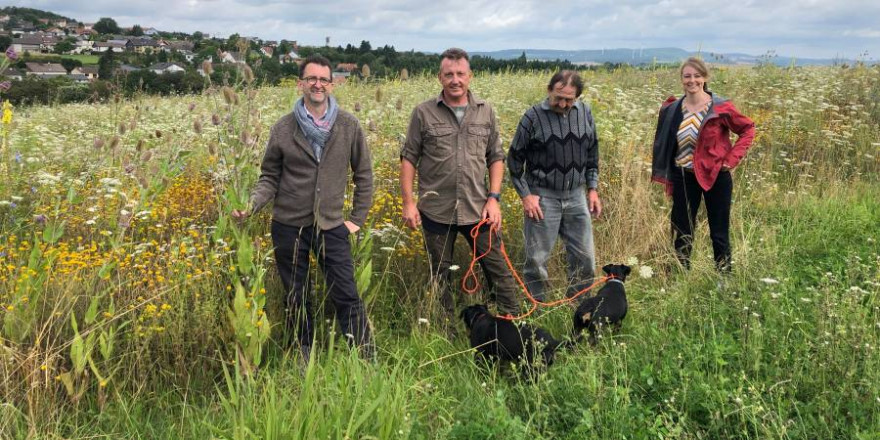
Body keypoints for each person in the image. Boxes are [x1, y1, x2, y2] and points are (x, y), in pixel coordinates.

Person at [232, 55, 374, 359]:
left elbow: (364, 174)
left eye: (323, 79)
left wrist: (357, 219)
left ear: (332, 84)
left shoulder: (349, 125)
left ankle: (362, 355)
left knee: (346, 293)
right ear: (301, 84)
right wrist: (251, 205)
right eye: (311, 79)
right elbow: (270, 176)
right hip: (288, 225)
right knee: (296, 296)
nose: (318, 84)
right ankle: (303, 354)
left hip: (332, 224)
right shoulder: (283, 128)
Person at [400, 48, 521, 321]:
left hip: (479, 208)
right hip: (436, 210)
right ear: (439, 78)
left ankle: (511, 322)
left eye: (460, 74)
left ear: (470, 76)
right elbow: (409, 158)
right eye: (449, 74)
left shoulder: (485, 111)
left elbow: (496, 157)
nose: (455, 80)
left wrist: (494, 198)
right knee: (440, 273)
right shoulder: (423, 113)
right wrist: (408, 203)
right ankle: (446, 329)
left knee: (498, 268)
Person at [651, 57, 755, 272]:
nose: (692, 80)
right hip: (683, 175)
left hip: (715, 175)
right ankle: (681, 276)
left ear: (705, 78)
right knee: (682, 229)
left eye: (697, 76)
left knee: (719, 230)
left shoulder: (720, 107)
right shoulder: (674, 108)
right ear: (681, 79)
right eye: (687, 76)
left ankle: (723, 277)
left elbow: (748, 129)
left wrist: (731, 159)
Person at [507, 70, 602, 302]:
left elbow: (592, 153)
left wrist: (592, 188)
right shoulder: (532, 117)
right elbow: (514, 159)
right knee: (536, 261)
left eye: (569, 99)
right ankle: (538, 309)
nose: (562, 103)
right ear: (549, 90)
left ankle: (579, 307)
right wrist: (526, 196)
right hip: (543, 197)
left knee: (585, 259)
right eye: (558, 97)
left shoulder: (585, 113)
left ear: (577, 97)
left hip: (577, 196)